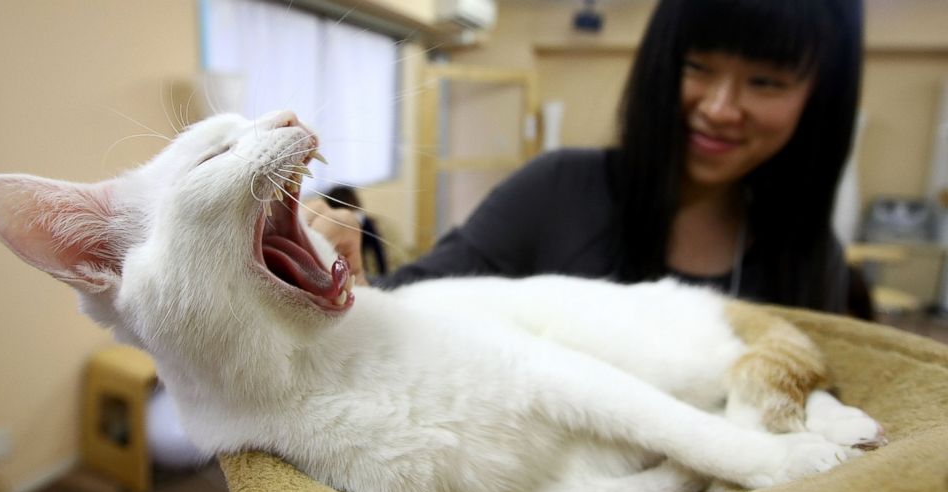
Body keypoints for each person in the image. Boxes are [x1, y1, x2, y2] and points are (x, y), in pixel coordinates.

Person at [310, 0, 864, 314]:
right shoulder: (555, 192)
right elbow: (400, 309)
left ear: (818, 103)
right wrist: (339, 276)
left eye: (765, 82)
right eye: (697, 67)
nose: (720, 108)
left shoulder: (811, 259)